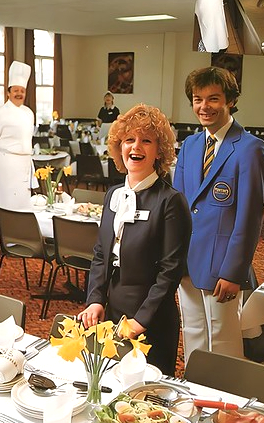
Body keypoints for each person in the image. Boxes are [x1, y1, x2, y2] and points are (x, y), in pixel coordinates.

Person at [78, 104, 192, 375]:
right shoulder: (113, 195)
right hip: (112, 310)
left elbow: (170, 272)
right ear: (120, 147)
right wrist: (95, 298)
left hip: (150, 318)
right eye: (129, 139)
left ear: (159, 151)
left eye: (146, 140)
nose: (135, 147)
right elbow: (100, 255)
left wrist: (140, 321)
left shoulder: (171, 201)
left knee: (143, 399)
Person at [173, 67, 264, 362]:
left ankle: (226, 404)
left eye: (213, 99)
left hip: (222, 266)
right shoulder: (190, 146)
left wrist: (234, 271)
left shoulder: (250, 149)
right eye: (197, 99)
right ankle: (195, 392)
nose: (204, 107)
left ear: (230, 100)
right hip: (188, 261)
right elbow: (178, 207)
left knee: (223, 340)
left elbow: (250, 218)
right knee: (192, 332)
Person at [0, 61, 35, 218]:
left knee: (24, 204)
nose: (19, 93)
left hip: (24, 164)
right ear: (8, 92)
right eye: (15, 90)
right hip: (6, 164)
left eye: (22, 91)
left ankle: (23, 236)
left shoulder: (29, 113)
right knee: (7, 203)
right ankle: (5, 237)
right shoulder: (0, 113)